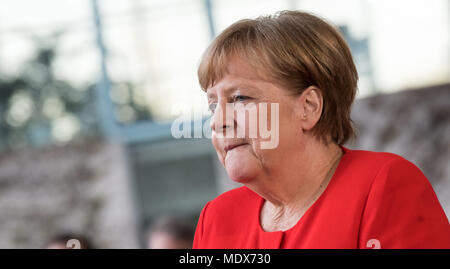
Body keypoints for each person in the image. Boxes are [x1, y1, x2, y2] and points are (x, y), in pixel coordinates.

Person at [193, 10, 450, 248]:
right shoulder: (215, 219)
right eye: (213, 105)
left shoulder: (383, 186)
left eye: (239, 98)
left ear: (308, 107)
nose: (217, 122)